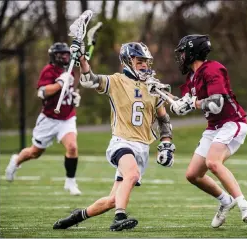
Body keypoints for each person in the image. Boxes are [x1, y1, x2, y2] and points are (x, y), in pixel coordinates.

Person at [52, 41, 176, 231]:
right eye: (139, 61)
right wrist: (83, 60)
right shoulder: (117, 81)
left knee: (112, 199)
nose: (144, 65)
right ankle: (120, 217)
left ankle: (77, 216)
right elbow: (89, 80)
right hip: (122, 142)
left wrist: (166, 144)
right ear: (128, 61)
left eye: (146, 61)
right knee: (132, 174)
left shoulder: (153, 87)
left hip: (142, 147)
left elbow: (164, 120)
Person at [165, 34, 247, 228]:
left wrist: (194, 103)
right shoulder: (192, 77)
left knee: (213, 162)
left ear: (191, 52)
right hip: (213, 127)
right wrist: (166, 98)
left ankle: (244, 205)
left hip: (232, 122)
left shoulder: (212, 69)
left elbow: (216, 104)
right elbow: (185, 103)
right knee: (192, 175)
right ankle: (226, 201)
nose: (181, 57)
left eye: (182, 52)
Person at [5, 42, 82, 196]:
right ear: (55, 56)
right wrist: (60, 83)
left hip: (66, 117)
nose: (66, 56)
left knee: (72, 147)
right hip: (49, 119)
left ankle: (70, 181)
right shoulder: (48, 71)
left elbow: (67, 92)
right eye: (63, 54)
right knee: (35, 152)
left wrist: (73, 97)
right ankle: (16, 161)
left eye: (68, 54)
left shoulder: (70, 71)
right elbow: (43, 92)